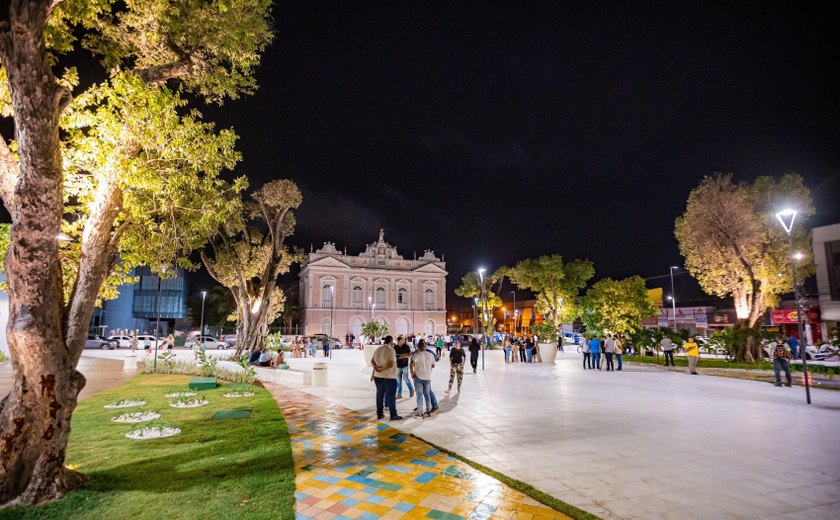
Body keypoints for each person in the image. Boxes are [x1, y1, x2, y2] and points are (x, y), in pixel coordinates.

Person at [371, 336, 402, 421]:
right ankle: (393, 415)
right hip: (389, 377)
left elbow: (372, 361)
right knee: (391, 397)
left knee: (379, 396)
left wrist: (376, 368)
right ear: (391, 341)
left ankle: (379, 414)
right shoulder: (391, 350)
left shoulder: (378, 349)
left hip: (378, 377)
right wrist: (381, 369)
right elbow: (391, 364)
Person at [410, 340, 436, 417]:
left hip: (418, 377)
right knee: (427, 394)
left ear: (418, 347)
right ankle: (428, 411)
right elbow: (433, 365)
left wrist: (412, 372)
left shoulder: (416, 355)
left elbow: (411, 364)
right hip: (428, 377)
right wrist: (427, 369)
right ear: (425, 347)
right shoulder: (430, 355)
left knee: (419, 395)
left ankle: (420, 412)